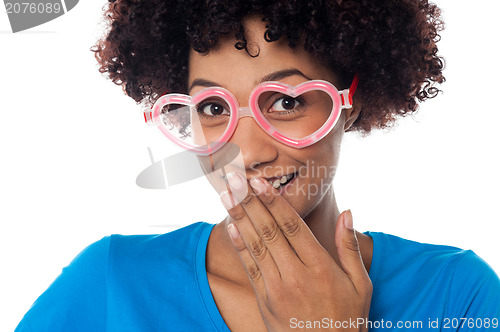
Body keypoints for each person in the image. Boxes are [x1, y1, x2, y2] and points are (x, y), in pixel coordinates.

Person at [15, 0, 500, 331]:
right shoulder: (110, 283)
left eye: (286, 102)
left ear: (348, 102)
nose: (246, 153)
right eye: (213, 108)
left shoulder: (456, 298)